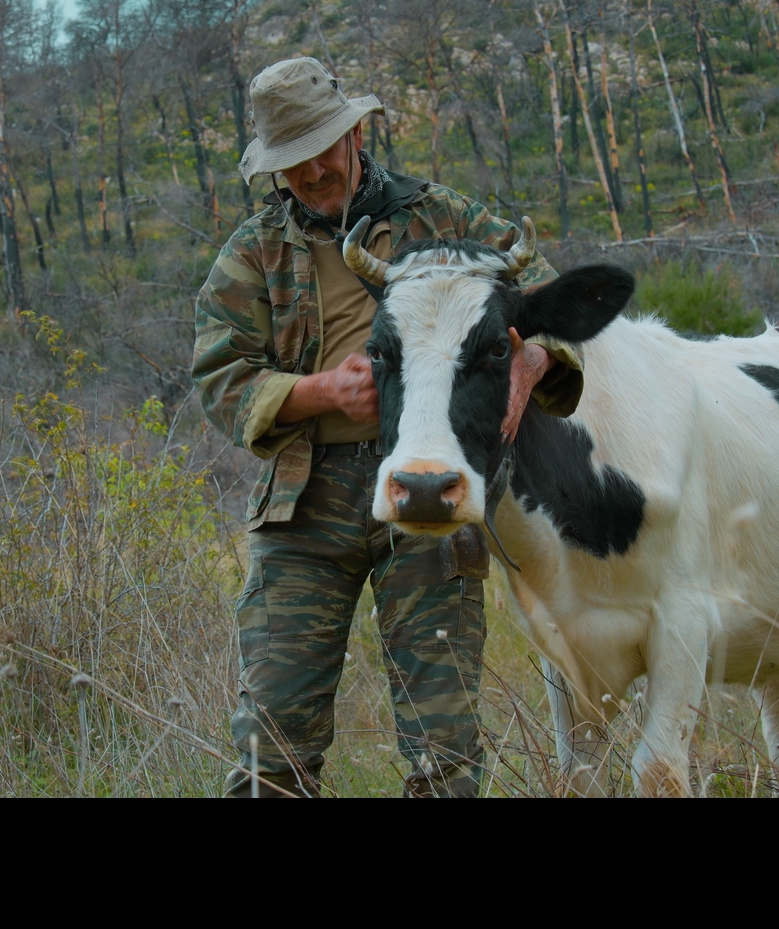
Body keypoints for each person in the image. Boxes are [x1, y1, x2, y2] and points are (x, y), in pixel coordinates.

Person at [192, 57, 584, 797]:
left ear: (356, 133)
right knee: (270, 740)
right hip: (305, 504)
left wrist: (532, 362)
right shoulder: (252, 251)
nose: (310, 173)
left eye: (321, 151)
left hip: (430, 486)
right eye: (291, 162)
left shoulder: (443, 218)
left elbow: (547, 305)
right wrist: (316, 391)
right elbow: (218, 377)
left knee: (445, 745)